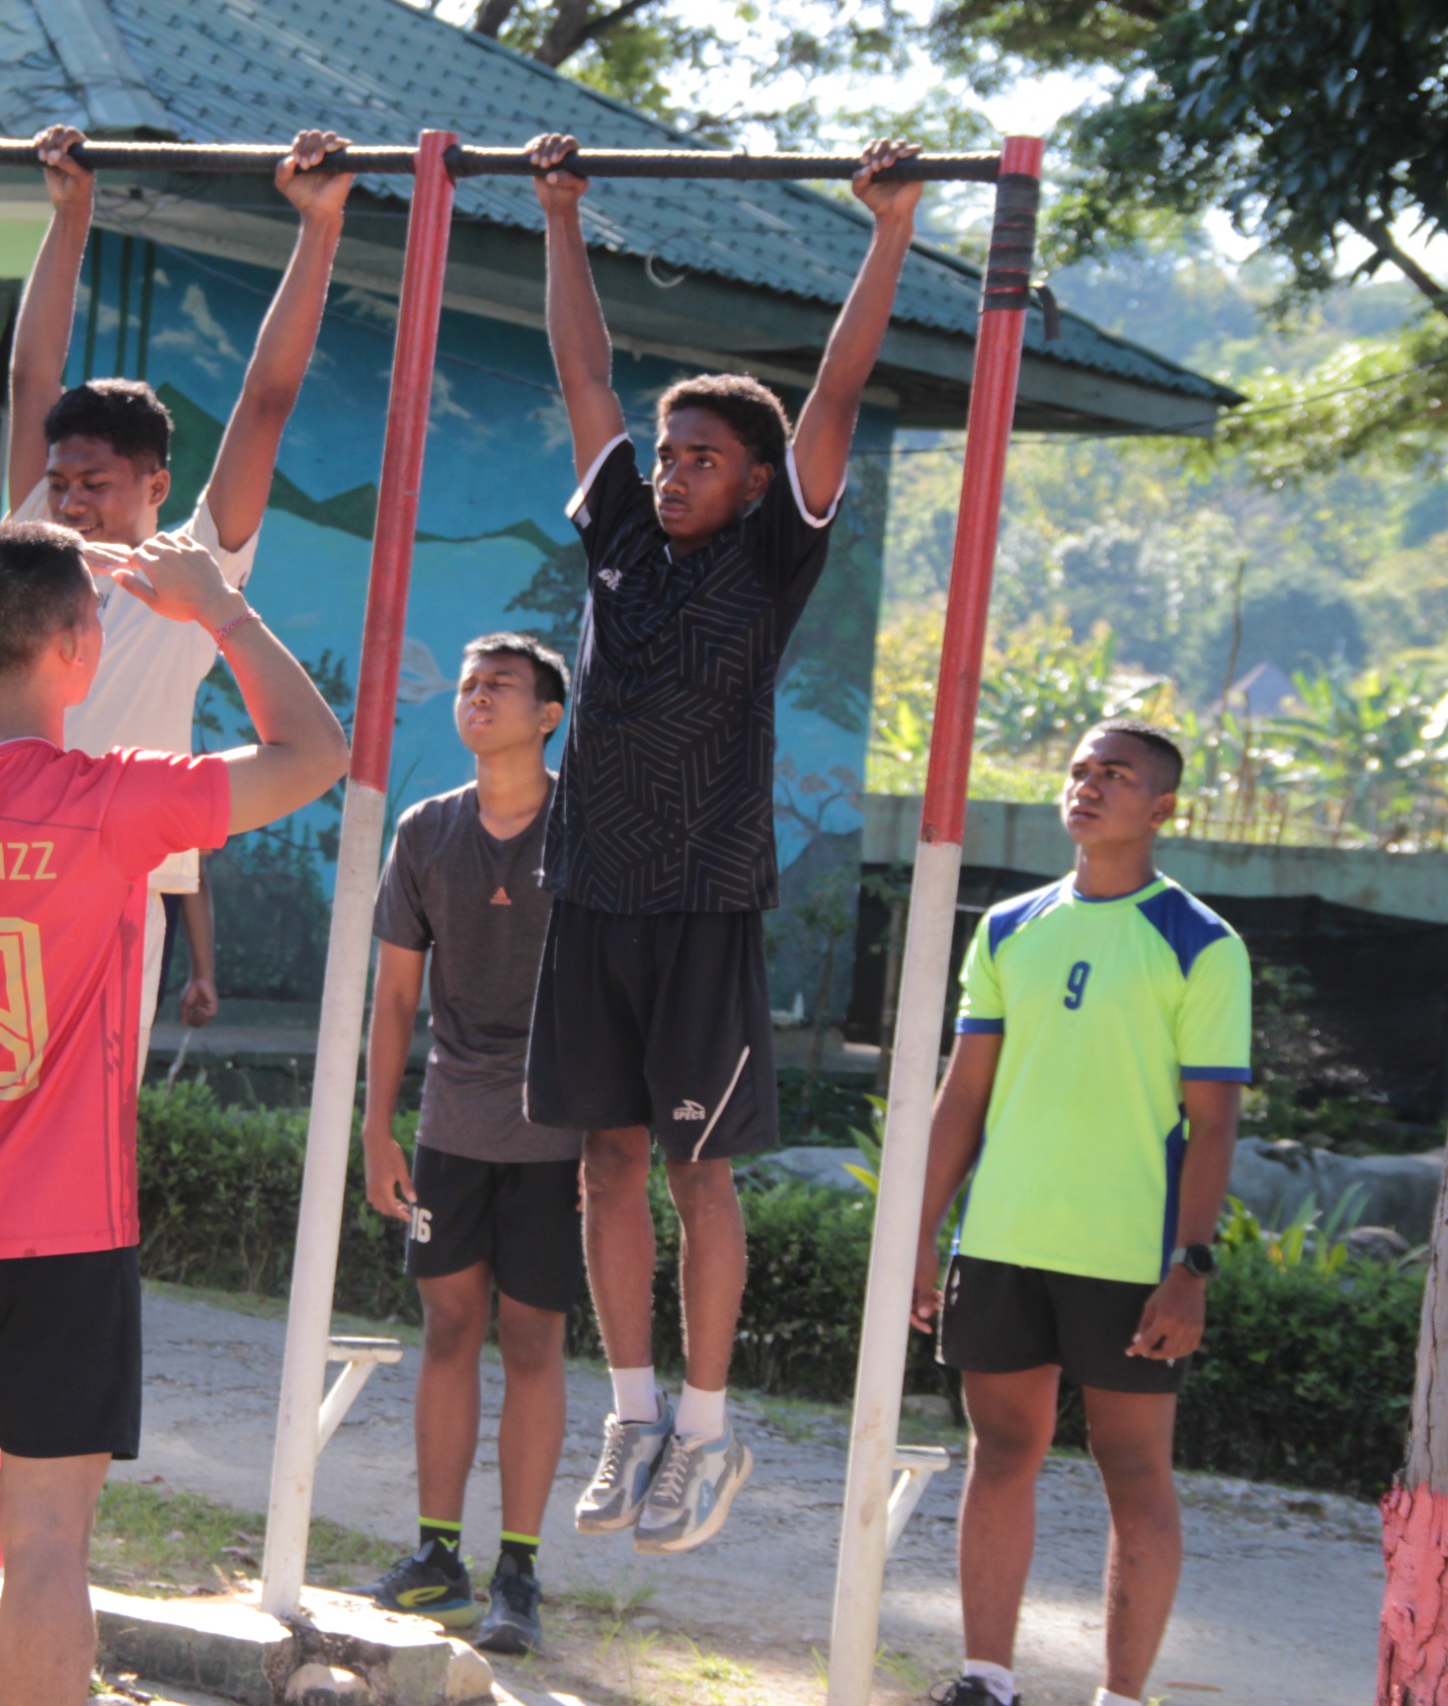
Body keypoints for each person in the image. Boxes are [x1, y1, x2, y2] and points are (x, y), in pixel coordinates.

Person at [0, 521, 347, 1706]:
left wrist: (19, 566)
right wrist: (213, 608)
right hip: (63, 1227)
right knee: (46, 1534)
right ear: (81, 641)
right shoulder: (112, 801)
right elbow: (314, 751)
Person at [0, 119, 351, 1566]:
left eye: (101, 479)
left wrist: (322, 225)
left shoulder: (194, 560)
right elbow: (36, 376)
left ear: (155, 483)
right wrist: (68, 212)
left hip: (113, 874)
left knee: (58, 1167)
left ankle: (3, 1448)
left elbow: (274, 394)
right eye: (63, 477)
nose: (76, 497)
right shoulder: (33, 551)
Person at [523, 132, 924, 1554]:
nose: (679, 467)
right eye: (673, 449)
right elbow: (584, 377)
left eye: (705, 455)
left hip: (704, 897)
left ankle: (706, 1425)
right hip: (591, 890)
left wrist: (890, 229)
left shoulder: (772, 549)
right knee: (605, 1161)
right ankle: (630, 1411)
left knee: (701, 1171)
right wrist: (561, 212)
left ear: (759, 482)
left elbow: (836, 389)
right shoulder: (621, 531)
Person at [913, 721, 1250, 1706]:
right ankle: (984, 1677)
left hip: (1127, 1257)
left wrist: (1188, 1265)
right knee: (1000, 1452)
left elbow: (1214, 1121)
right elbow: (960, 1098)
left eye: (1115, 774)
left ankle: (1119, 1693)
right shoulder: (1008, 924)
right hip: (1003, 1239)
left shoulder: (1201, 941)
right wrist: (919, 1236)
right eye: (1078, 769)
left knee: (1133, 1469)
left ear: (1162, 808)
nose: (1089, 785)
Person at [357, 634, 582, 1655]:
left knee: (532, 1340)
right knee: (448, 1330)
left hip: (560, 1131)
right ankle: (437, 1555)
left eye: (502, 684)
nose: (478, 694)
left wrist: (615, 1153)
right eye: (467, 682)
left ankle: (518, 1573)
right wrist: (376, 1127)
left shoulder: (588, 829)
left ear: (549, 714)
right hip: (451, 1122)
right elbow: (395, 992)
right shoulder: (426, 831)